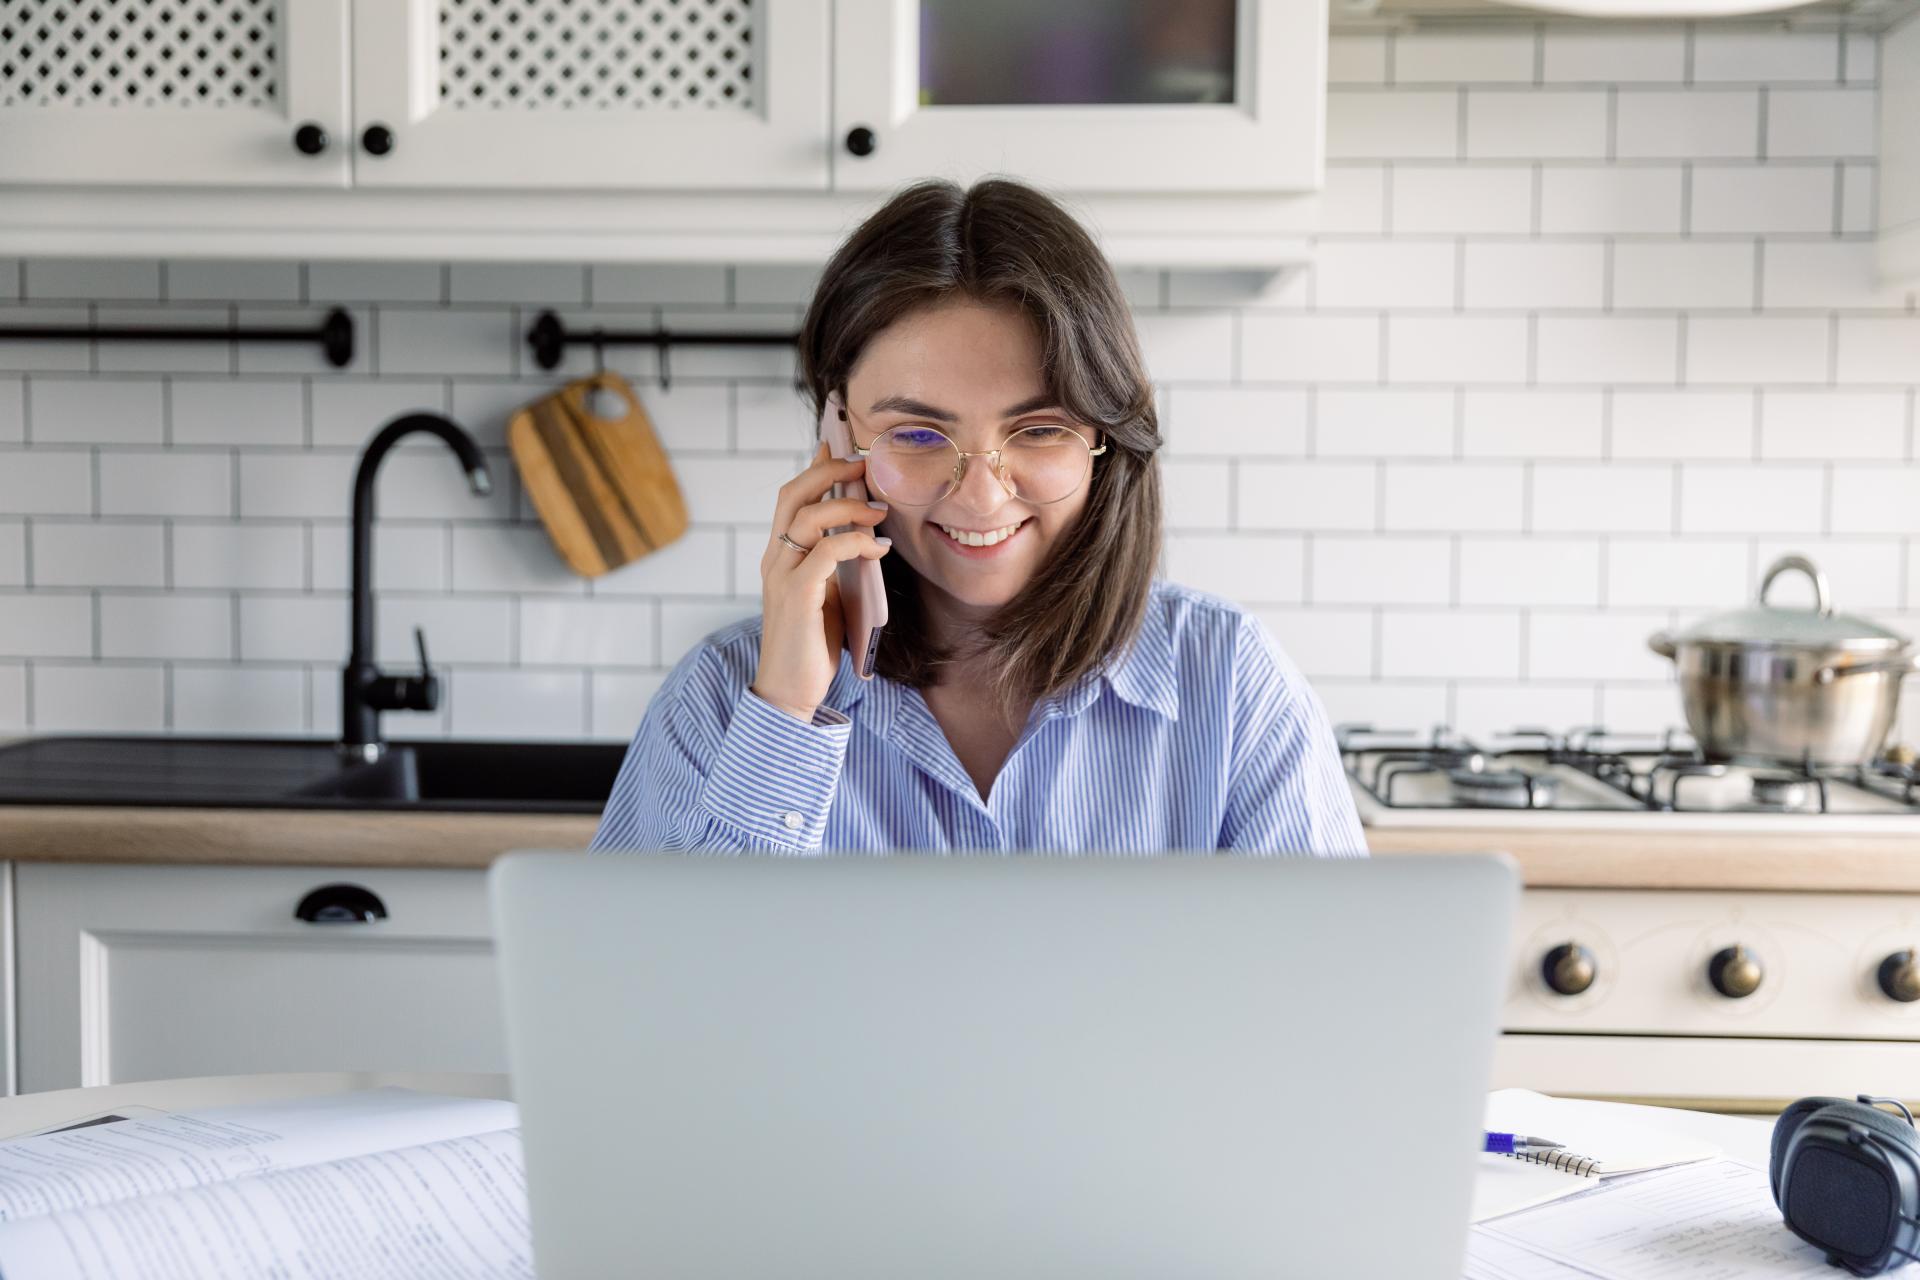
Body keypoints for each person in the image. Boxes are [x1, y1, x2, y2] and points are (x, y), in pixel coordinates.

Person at [590, 177, 1365, 855]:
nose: (982, 496)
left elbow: (1326, 1007)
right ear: (838, 435)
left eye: (1039, 430)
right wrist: (786, 715)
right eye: (919, 434)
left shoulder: (1231, 686)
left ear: (1106, 437)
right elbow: (651, 1012)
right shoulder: (721, 699)